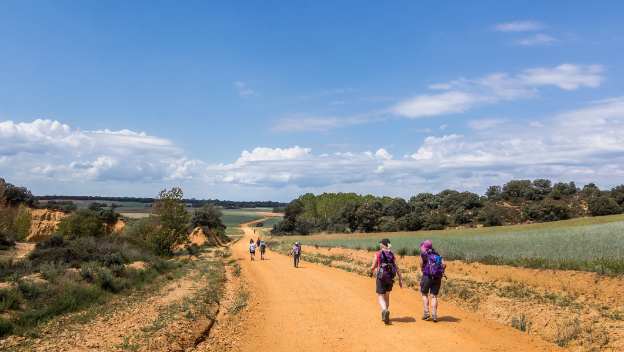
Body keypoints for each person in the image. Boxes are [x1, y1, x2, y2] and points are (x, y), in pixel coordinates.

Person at [369, 238, 402, 325]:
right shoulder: (391, 254)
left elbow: (373, 266)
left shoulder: (378, 254)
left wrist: (371, 271)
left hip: (381, 277)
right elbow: (397, 268)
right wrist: (400, 279)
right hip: (390, 277)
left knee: (380, 296)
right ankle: (386, 312)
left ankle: (384, 310)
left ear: (382, 245)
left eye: (380, 243)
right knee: (387, 296)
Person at [420, 239, 445, 323]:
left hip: (427, 276)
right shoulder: (437, 254)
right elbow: (444, 264)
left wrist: (423, 270)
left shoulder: (424, 254)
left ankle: (426, 313)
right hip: (437, 277)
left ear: (425, 247)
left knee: (424, 294)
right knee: (434, 296)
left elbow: (421, 264)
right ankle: (434, 314)